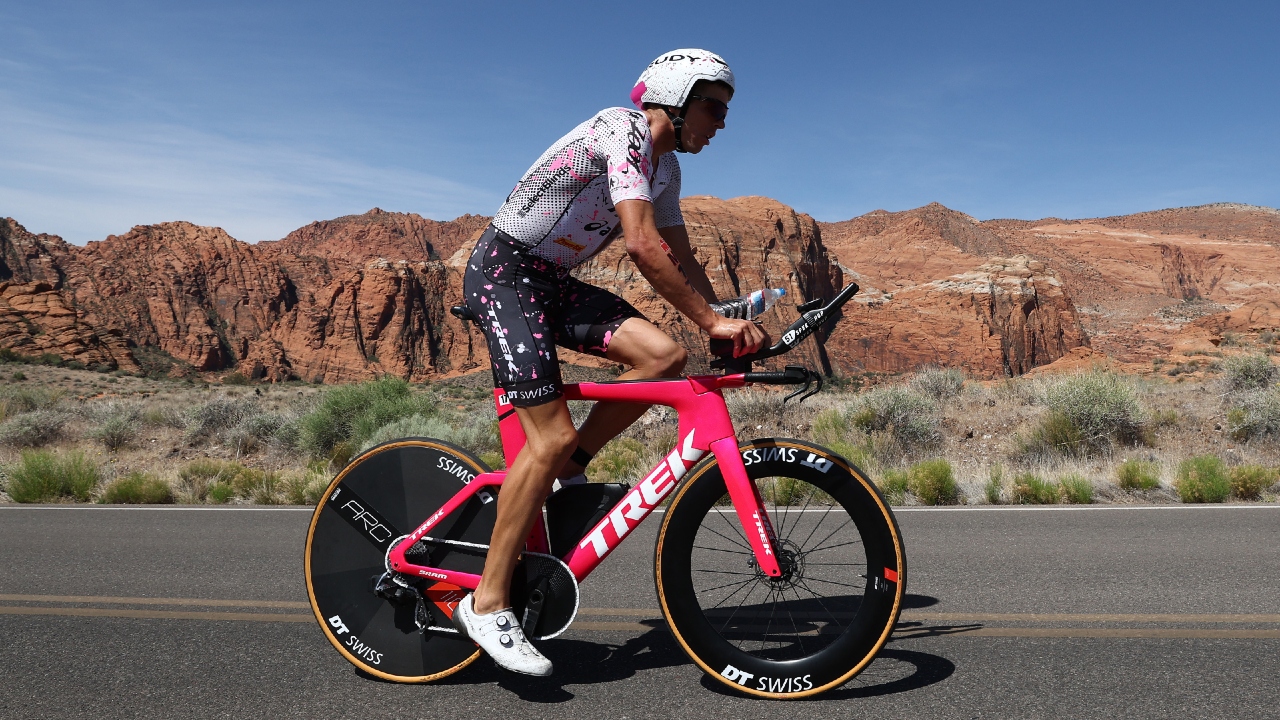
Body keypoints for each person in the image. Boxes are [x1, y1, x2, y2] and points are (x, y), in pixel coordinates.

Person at [452, 49, 768, 675]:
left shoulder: (667, 172)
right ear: (676, 100)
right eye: (714, 107)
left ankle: (568, 469)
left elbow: (680, 255)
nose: (721, 123)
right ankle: (486, 604)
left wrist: (721, 317)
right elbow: (643, 247)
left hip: (552, 282)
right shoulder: (621, 130)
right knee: (545, 438)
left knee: (664, 357)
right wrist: (709, 317)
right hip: (505, 275)